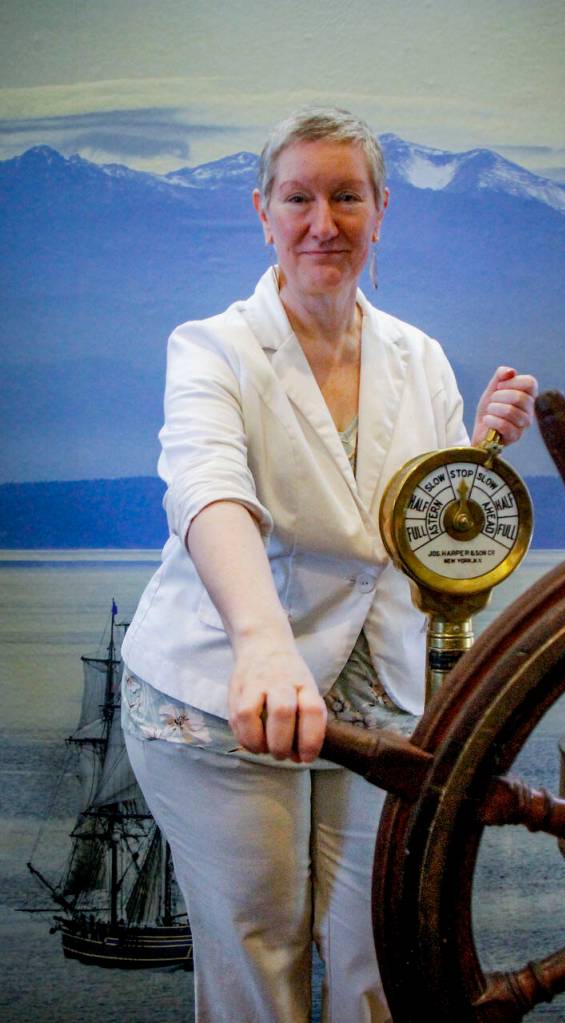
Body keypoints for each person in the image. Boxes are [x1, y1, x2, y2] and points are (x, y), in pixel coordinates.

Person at [121, 107, 537, 1023]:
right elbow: (207, 489)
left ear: (380, 210)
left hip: (377, 703)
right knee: (259, 957)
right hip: (225, 692)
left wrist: (479, 454)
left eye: (346, 196)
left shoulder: (419, 357)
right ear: (261, 211)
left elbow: (420, 531)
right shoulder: (212, 347)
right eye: (299, 197)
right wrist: (263, 645)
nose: (324, 222)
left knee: (377, 956)